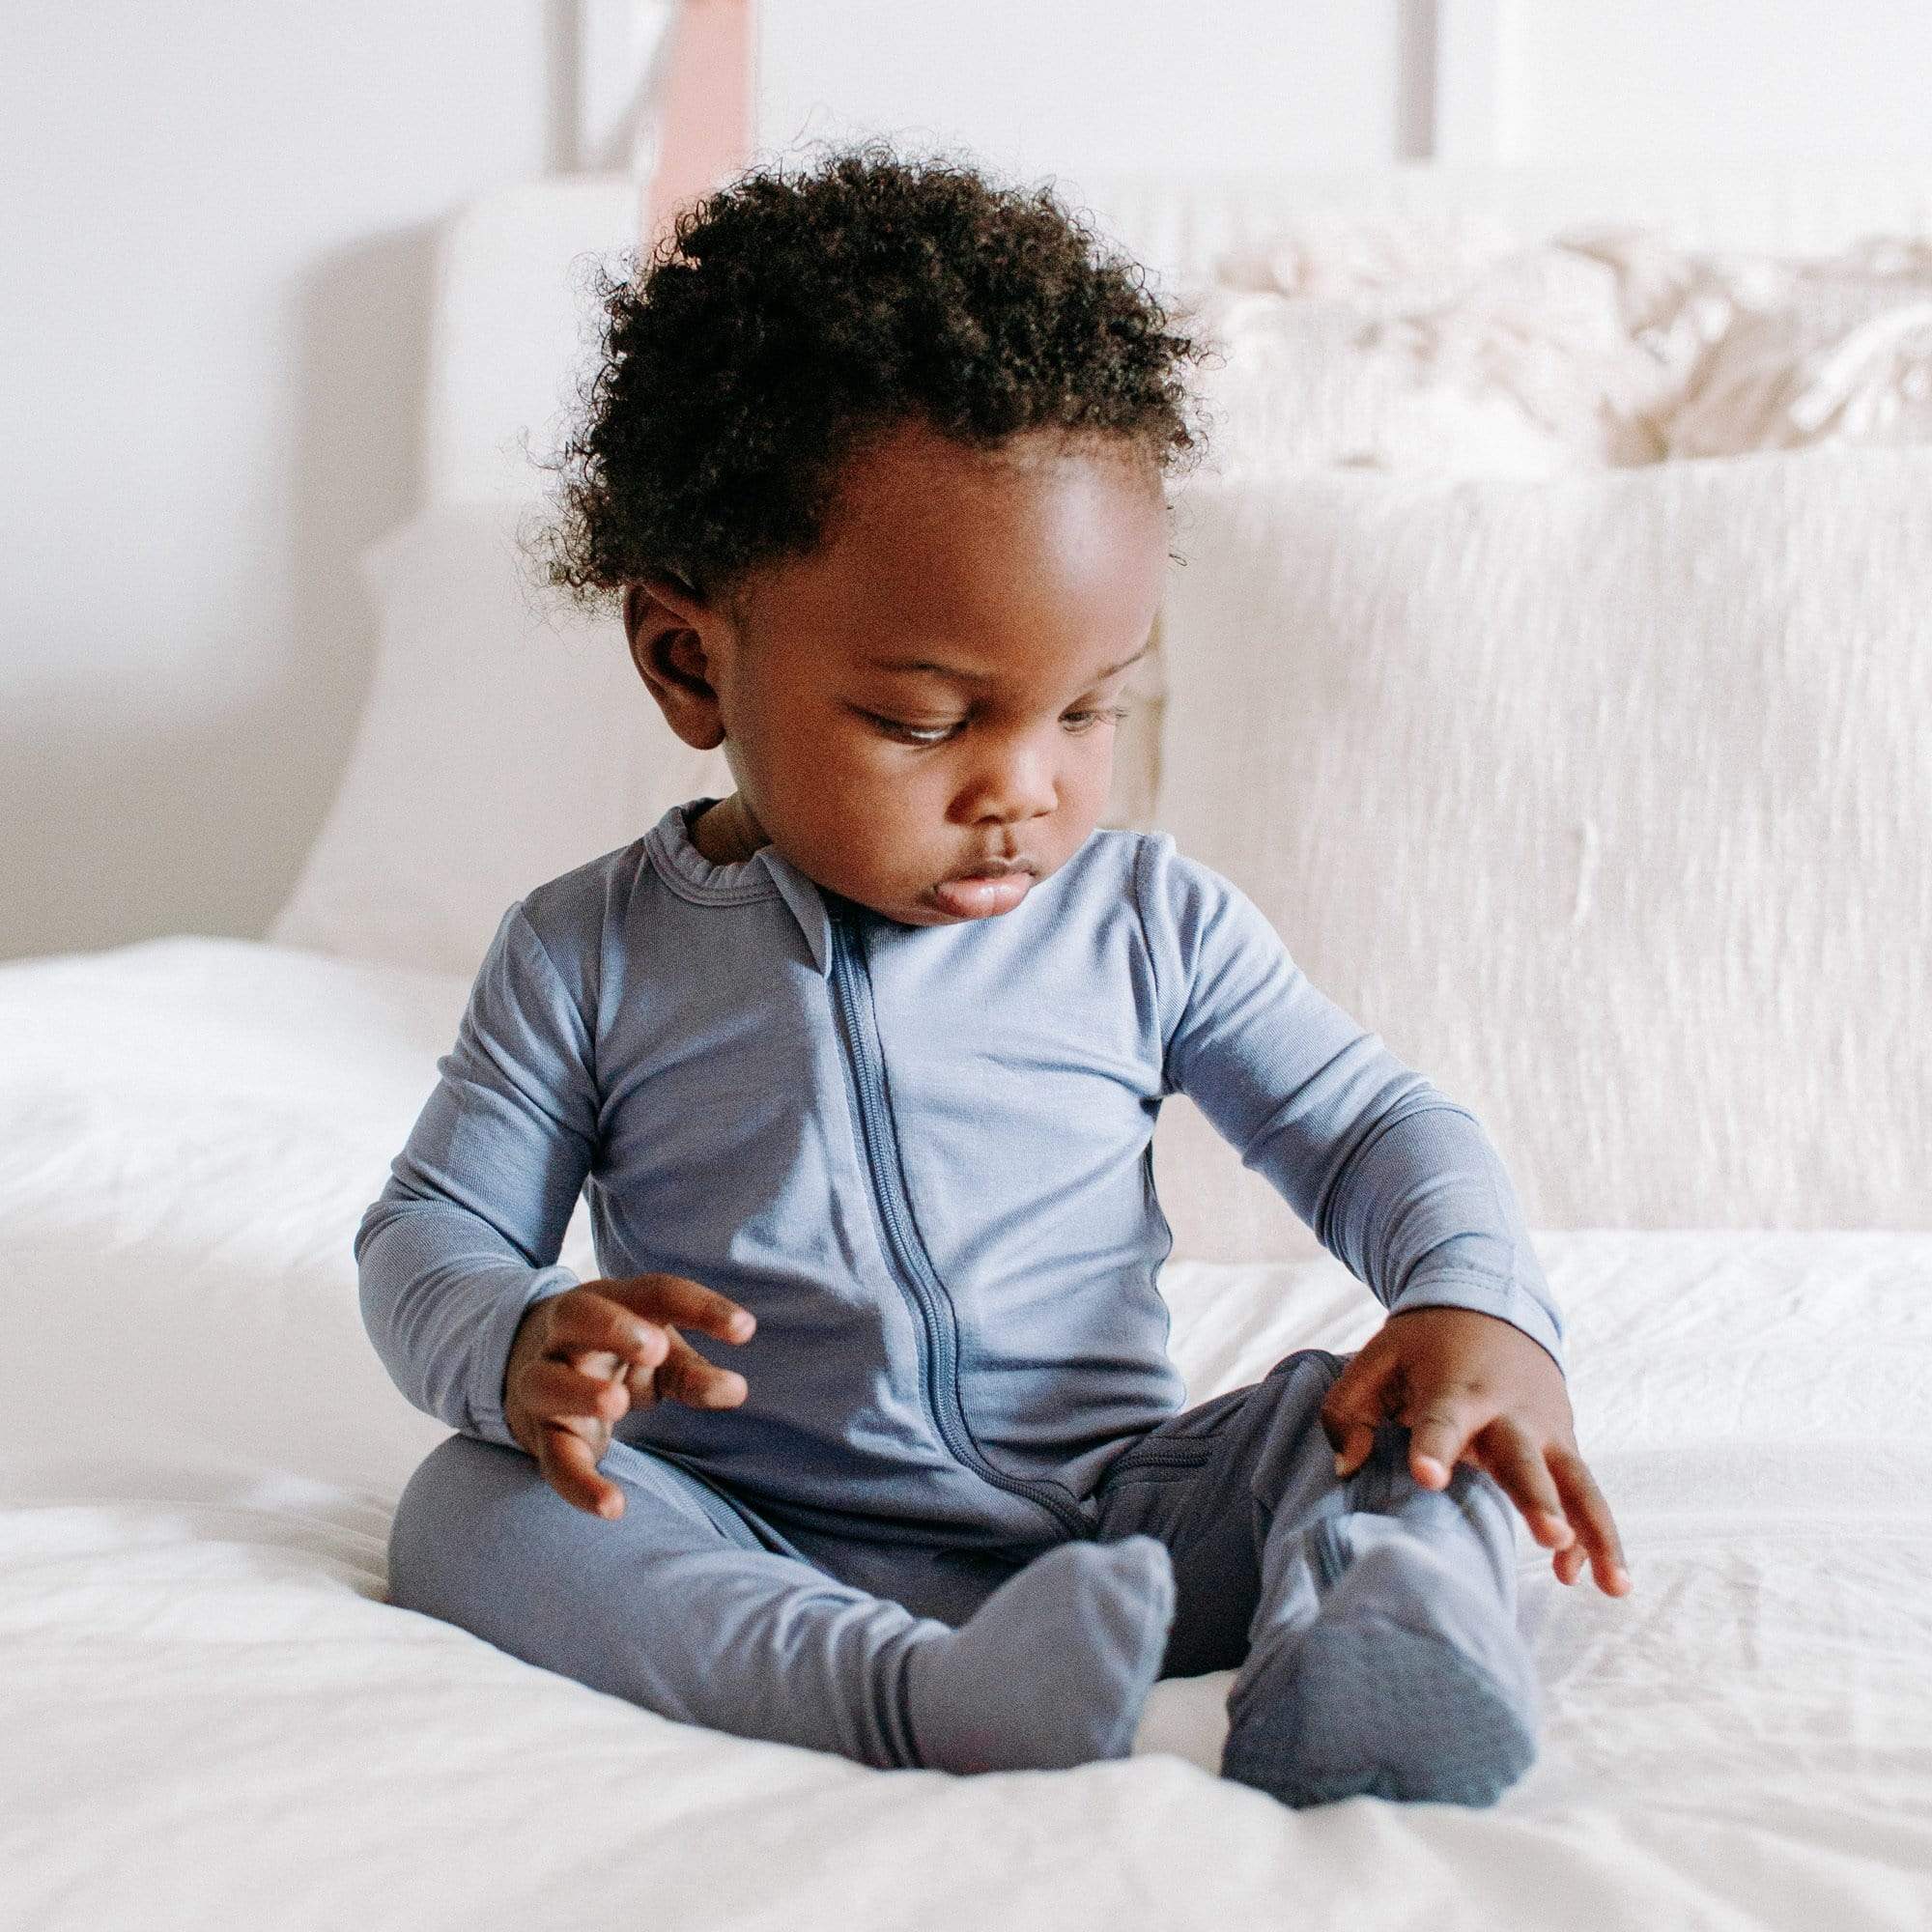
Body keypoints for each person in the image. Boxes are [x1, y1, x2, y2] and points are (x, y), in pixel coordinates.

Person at [358, 142, 1630, 1809]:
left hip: (1125, 1514)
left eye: (1090, 709)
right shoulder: (586, 955)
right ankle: (915, 1696)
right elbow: (430, 1236)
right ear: (689, 657)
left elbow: (1373, 1125)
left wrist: (1479, 1303)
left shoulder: (1148, 921)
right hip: (754, 1524)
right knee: (470, 1510)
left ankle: (1377, 1650)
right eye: (929, 719)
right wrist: (524, 1337)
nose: (1025, 787)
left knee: (1396, 1421)